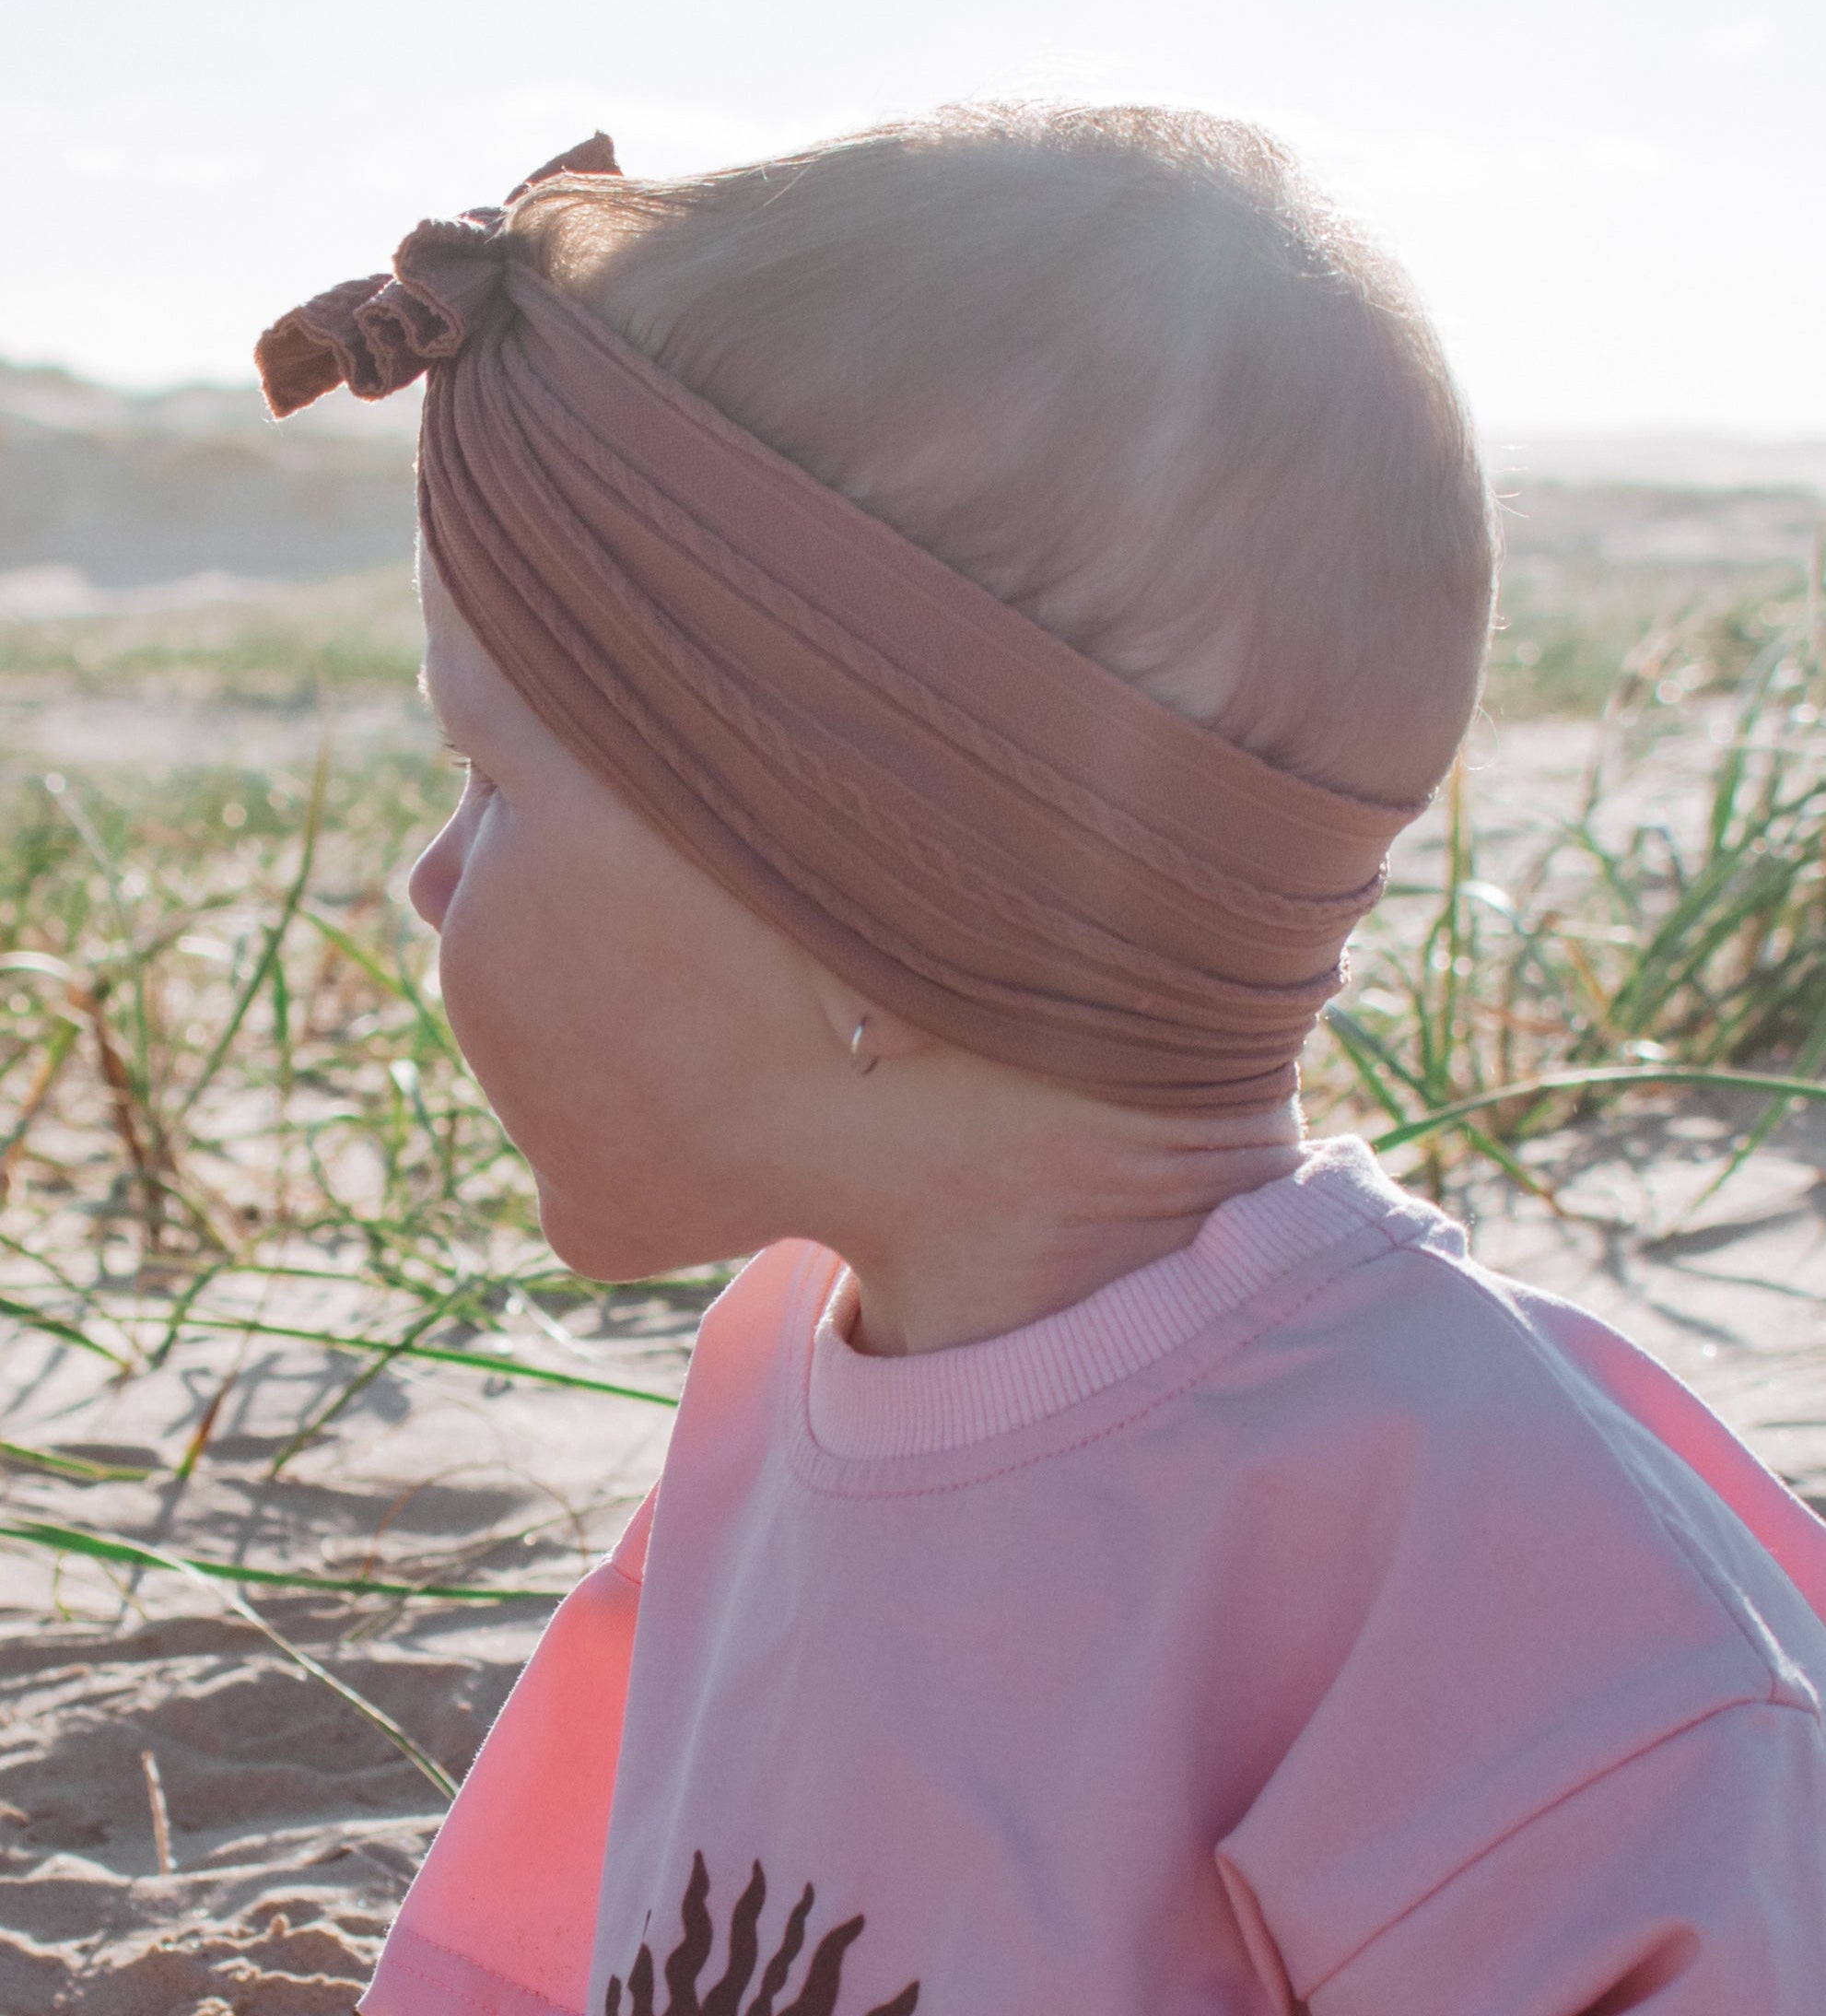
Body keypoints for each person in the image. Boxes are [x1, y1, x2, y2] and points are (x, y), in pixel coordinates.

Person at [257, 108, 1826, 2016]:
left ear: (865, 896)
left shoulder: (1494, 1597)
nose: (427, 883)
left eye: (490, 783)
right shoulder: (776, 1384)